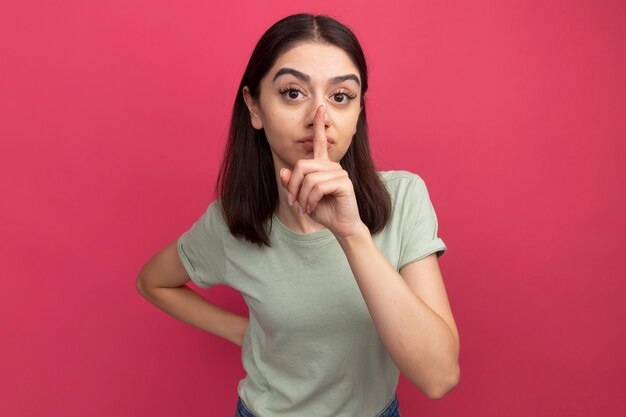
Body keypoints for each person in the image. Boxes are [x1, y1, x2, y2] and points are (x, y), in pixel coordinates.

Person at [136, 13, 460, 417]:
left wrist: (350, 232)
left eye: (341, 96)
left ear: (358, 113)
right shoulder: (230, 223)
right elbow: (152, 282)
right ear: (254, 107)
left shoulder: (405, 197)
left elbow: (439, 375)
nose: (318, 116)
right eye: (293, 92)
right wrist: (244, 333)